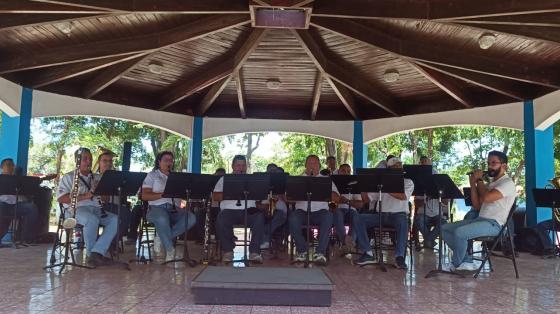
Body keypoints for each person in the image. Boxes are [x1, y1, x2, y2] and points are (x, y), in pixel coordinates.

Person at [442, 151, 516, 271]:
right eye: (488, 163)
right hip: (481, 220)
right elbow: (476, 206)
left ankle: (456, 264)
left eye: (493, 163)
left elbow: (487, 197)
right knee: (445, 229)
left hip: (495, 225)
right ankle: (466, 261)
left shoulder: (507, 183)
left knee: (460, 233)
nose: (490, 166)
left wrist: (480, 181)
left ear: (504, 166)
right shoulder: (491, 184)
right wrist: (473, 183)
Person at [57, 148, 118, 266]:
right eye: (85, 159)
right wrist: (87, 195)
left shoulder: (96, 177)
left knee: (115, 220)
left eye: (90, 158)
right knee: (92, 220)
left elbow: (106, 200)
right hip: (75, 210)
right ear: (77, 161)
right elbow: (62, 198)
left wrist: (100, 190)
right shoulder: (69, 177)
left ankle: (97, 253)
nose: (88, 161)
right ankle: (91, 254)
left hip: (96, 209)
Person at [352, 157, 413, 268]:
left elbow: (403, 196)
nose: (396, 168)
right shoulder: (380, 184)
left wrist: (386, 188)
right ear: (388, 169)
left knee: (403, 222)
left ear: (402, 167)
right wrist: (362, 186)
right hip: (381, 215)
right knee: (358, 217)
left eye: (398, 166)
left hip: (399, 215)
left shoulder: (408, 182)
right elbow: (366, 200)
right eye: (393, 167)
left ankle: (399, 257)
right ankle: (368, 253)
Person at [141, 151, 196, 262]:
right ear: (159, 162)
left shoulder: (177, 177)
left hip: (174, 209)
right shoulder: (152, 175)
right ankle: (170, 250)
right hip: (156, 208)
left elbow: (183, 197)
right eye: (166, 160)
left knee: (191, 218)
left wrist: (184, 204)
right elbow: (144, 195)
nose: (169, 162)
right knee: (162, 218)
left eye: (171, 160)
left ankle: (161, 238)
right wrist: (163, 194)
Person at [213, 155, 266, 263]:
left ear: (246, 167)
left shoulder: (253, 180)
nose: (241, 168)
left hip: (248, 210)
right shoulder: (224, 179)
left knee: (259, 217)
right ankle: (228, 251)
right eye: (238, 165)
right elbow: (215, 197)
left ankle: (254, 252)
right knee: (221, 218)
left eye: (243, 165)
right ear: (233, 166)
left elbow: (260, 199)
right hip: (229, 211)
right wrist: (230, 193)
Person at [289, 155, 340, 265]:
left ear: (319, 166)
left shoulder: (326, 180)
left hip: (320, 213)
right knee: (293, 218)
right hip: (302, 211)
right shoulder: (298, 179)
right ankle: (302, 251)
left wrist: (325, 190)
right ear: (305, 165)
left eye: (315, 163)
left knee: (328, 216)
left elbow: (337, 198)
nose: (312, 166)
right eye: (310, 163)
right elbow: (288, 198)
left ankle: (320, 253)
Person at [95, 150, 132, 245]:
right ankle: (107, 243)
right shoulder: (94, 177)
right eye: (105, 161)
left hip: (115, 206)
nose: (108, 163)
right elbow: (104, 199)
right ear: (99, 163)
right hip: (100, 206)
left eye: (110, 161)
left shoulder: (117, 177)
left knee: (126, 213)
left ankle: (110, 242)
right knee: (124, 213)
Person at [0, 158, 39, 246]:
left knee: (32, 208)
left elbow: (27, 194)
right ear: (2, 167)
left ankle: (26, 238)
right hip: (2, 205)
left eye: (12, 165)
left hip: (17, 206)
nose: (11, 167)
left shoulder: (19, 180)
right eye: (8, 165)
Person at [413, 156, 448, 249]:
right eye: (422, 162)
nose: (423, 163)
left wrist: (441, 194)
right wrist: (427, 198)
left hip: (437, 214)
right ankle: (430, 241)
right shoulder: (418, 182)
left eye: (426, 162)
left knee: (444, 223)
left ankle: (428, 240)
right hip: (423, 214)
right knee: (418, 221)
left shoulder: (439, 180)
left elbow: (446, 203)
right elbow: (417, 203)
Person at [332, 164, 363, 253]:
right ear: (338, 172)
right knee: (337, 213)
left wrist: (347, 201)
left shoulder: (354, 184)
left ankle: (350, 241)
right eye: (343, 171)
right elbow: (329, 202)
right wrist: (337, 202)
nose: (346, 173)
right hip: (337, 210)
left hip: (351, 210)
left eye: (348, 171)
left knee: (356, 216)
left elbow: (360, 204)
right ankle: (346, 243)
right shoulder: (333, 183)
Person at [261, 166, 288, 249]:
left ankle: (265, 239)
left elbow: (289, 200)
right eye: (270, 171)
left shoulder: (284, 184)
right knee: (258, 218)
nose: (273, 172)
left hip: (280, 211)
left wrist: (281, 195)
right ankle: (266, 239)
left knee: (279, 216)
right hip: (265, 209)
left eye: (274, 171)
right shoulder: (262, 184)